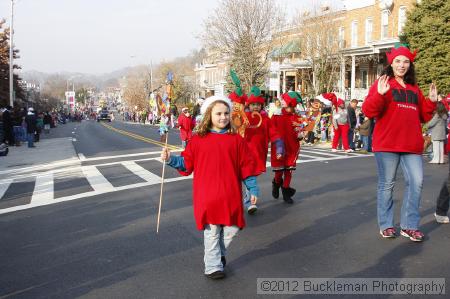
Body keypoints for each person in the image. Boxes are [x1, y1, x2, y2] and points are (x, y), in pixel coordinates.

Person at [161, 95, 259, 280]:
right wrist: (170, 159)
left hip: (230, 194)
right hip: (207, 195)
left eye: (226, 113)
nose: (223, 117)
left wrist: (252, 189)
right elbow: (186, 163)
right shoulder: (198, 140)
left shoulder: (236, 140)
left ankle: (218, 253)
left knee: (233, 227)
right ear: (209, 115)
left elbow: (246, 166)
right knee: (212, 231)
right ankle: (213, 266)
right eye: (219, 113)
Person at [362, 44, 438, 242]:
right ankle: (386, 225)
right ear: (391, 63)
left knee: (417, 183)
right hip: (387, 144)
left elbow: (423, 116)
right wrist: (379, 94)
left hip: (411, 145)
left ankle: (409, 226)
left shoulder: (414, 88)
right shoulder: (382, 82)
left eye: (405, 61)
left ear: (410, 64)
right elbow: (370, 112)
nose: (402, 65)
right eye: (398, 61)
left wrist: (430, 101)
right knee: (387, 185)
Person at [243, 87, 283, 214]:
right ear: (249, 105)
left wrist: (279, 147)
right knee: (247, 176)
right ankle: (249, 202)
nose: (255, 107)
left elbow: (274, 134)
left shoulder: (266, 119)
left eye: (258, 104)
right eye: (253, 104)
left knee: (251, 176)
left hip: (258, 153)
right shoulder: (244, 118)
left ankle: (248, 199)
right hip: (244, 153)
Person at [270, 92, 303, 204]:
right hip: (279, 147)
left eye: (285, 101)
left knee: (288, 171)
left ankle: (285, 192)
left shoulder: (297, 117)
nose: (282, 102)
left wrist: (300, 134)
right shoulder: (276, 115)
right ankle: (276, 183)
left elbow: (299, 130)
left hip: (292, 146)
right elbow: (271, 129)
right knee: (279, 171)